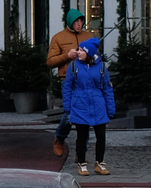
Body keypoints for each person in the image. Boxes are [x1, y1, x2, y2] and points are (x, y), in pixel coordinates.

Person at [61, 38, 117, 177]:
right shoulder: (74, 67)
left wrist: (110, 108)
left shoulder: (102, 67)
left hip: (98, 105)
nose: (78, 52)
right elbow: (67, 87)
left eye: (81, 50)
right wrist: (67, 106)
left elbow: (107, 89)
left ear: (89, 52)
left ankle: (100, 163)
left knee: (101, 136)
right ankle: (82, 164)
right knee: (82, 136)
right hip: (80, 105)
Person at [47, 9, 94, 155]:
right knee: (70, 114)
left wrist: (88, 57)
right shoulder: (58, 38)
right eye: (76, 22)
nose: (79, 24)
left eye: (81, 21)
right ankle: (59, 138)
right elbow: (50, 61)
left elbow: (97, 58)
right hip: (68, 80)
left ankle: (81, 152)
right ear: (70, 22)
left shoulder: (89, 36)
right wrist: (67, 56)